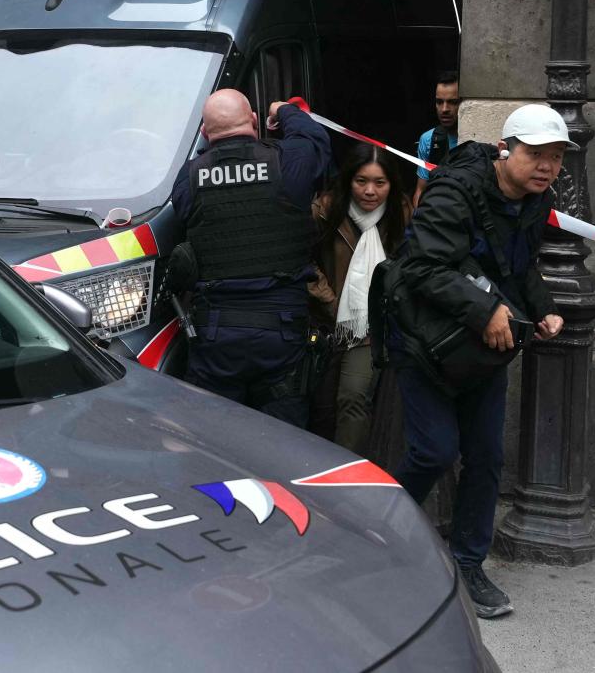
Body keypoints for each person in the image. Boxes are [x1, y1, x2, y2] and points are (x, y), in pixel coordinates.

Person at [392, 103, 570, 620]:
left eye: (556, 158)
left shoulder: (537, 200)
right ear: (505, 150)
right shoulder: (455, 191)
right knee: (433, 451)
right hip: (424, 342)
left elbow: (520, 266)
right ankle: (377, 533)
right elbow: (423, 266)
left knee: (486, 458)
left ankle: (467, 564)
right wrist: (487, 308)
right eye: (536, 154)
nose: (546, 167)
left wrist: (544, 309)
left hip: (481, 352)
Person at [167, 89, 330, 426]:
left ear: (205, 133)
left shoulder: (189, 175)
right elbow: (315, 139)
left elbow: (189, 213)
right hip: (281, 329)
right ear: (254, 121)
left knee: (216, 441)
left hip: (216, 332)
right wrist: (283, 110)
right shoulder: (288, 161)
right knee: (283, 441)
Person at [309, 144, 410, 453]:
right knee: (321, 408)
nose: (370, 191)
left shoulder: (401, 214)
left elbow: (411, 267)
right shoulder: (325, 210)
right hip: (326, 325)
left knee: (352, 399)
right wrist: (330, 302)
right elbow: (303, 262)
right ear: (348, 179)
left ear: (391, 184)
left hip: (371, 330)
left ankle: (345, 487)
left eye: (380, 183)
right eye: (361, 181)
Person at [411, 71, 462, 210]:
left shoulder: (473, 137)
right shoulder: (428, 139)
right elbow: (420, 191)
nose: (444, 109)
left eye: (453, 102)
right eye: (439, 102)